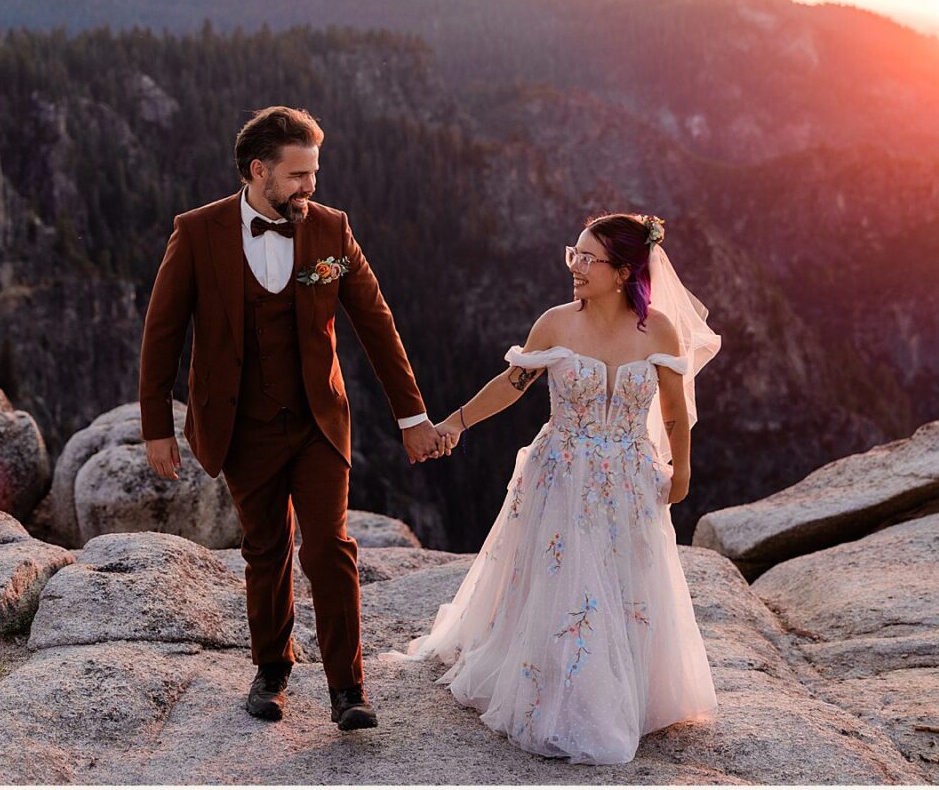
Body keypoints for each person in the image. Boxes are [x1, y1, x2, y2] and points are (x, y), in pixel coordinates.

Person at [137, 105, 454, 733]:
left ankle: (347, 688)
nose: (311, 186)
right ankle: (272, 671)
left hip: (316, 420)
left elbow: (377, 325)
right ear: (259, 171)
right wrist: (155, 428)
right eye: (299, 174)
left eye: (314, 173)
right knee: (266, 549)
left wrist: (413, 416)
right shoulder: (197, 232)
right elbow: (162, 333)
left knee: (330, 548)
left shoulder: (331, 230)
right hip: (240, 423)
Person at [385, 212, 721, 764]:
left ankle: (626, 689)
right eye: (575, 254)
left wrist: (680, 471)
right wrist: (453, 423)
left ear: (623, 272)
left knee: (624, 578)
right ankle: (565, 692)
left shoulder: (658, 328)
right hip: (561, 473)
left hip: (631, 478)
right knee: (566, 580)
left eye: (589, 259)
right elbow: (513, 385)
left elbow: (676, 412)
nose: (576, 267)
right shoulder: (557, 323)